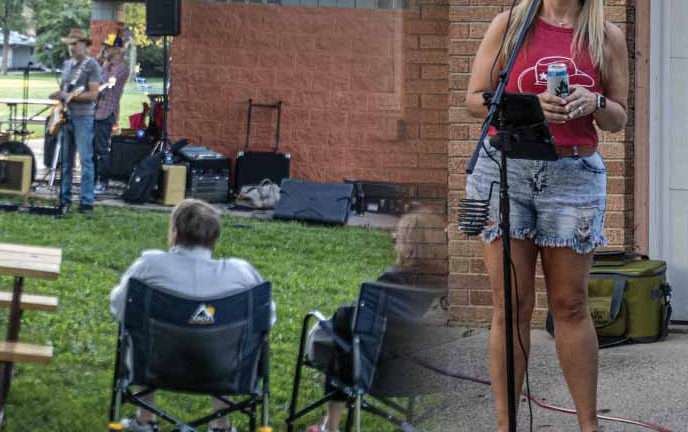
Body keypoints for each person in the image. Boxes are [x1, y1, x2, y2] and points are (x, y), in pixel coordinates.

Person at [461, 0, 629, 432]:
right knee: (510, 306)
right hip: (505, 167)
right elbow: (473, 101)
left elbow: (619, 116)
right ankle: (504, 424)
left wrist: (595, 100)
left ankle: (587, 425)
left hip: (572, 172)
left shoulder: (604, 34)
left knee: (569, 304)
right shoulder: (509, 24)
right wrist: (528, 104)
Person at [108, 198, 272, 432]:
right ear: (214, 237)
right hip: (225, 368)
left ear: (175, 231)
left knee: (140, 333)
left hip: (155, 364)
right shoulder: (241, 274)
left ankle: (145, 419)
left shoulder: (149, 266)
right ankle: (221, 425)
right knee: (224, 341)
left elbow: (118, 306)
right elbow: (266, 321)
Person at [311, 209, 446, 432]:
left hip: (374, 372)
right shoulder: (450, 288)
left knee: (343, 342)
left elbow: (345, 320)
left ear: (408, 244)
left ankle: (330, 425)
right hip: (426, 371)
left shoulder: (388, 285)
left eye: (398, 237)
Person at [50, 31, 104, 212]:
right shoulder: (66, 65)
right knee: (66, 161)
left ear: (84, 44)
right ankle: (64, 198)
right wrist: (60, 95)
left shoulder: (92, 65)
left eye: (75, 43)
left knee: (86, 160)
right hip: (66, 116)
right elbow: (66, 90)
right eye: (69, 44)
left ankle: (86, 202)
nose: (72, 47)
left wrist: (69, 96)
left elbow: (94, 94)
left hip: (84, 118)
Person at [92, 35, 129, 193]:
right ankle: (91, 179)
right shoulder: (106, 65)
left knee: (102, 149)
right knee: (91, 148)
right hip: (95, 110)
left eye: (109, 47)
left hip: (106, 112)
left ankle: (103, 181)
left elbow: (106, 84)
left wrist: (103, 62)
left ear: (118, 50)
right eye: (106, 47)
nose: (106, 49)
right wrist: (99, 60)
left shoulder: (121, 68)